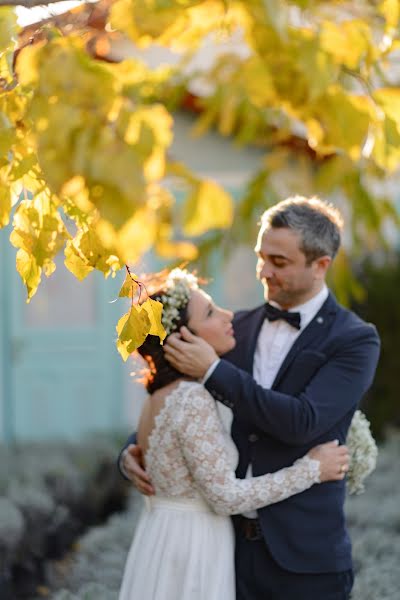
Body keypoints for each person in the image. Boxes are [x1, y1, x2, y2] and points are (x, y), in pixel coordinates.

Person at [122, 196, 380, 600]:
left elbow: (303, 421)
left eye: (279, 262)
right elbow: (175, 400)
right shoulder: (230, 330)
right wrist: (135, 452)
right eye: (261, 257)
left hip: (305, 561)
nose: (263, 271)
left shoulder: (354, 340)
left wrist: (212, 370)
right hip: (227, 553)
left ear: (320, 265)